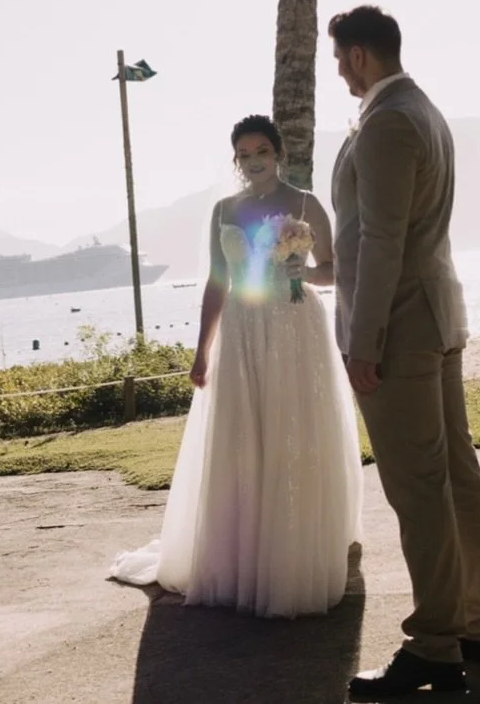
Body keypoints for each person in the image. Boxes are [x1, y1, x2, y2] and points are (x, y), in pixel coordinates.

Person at [327, 6, 480, 699]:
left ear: (360, 55)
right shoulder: (425, 111)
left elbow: (381, 240)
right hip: (437, 317)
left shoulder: (385, 123)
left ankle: (436, 646)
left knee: (419, 487)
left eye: (342, 59)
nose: (341, 73)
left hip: (400, 330)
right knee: (456, 476)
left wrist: (363, 341)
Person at [108, 114, 362, 617]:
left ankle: (295, 552)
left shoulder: (307, 203)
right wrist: (202, 349)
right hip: (242, 332)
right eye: (243, 155)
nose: (253, 162)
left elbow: (336, 272)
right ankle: (244, 556)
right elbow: (217, 284)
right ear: (236, 161)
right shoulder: (224, 209)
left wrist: (306, 271)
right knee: (243, 439)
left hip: (295, 329)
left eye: (261, 151)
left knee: (295, 432)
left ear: (278, 152)